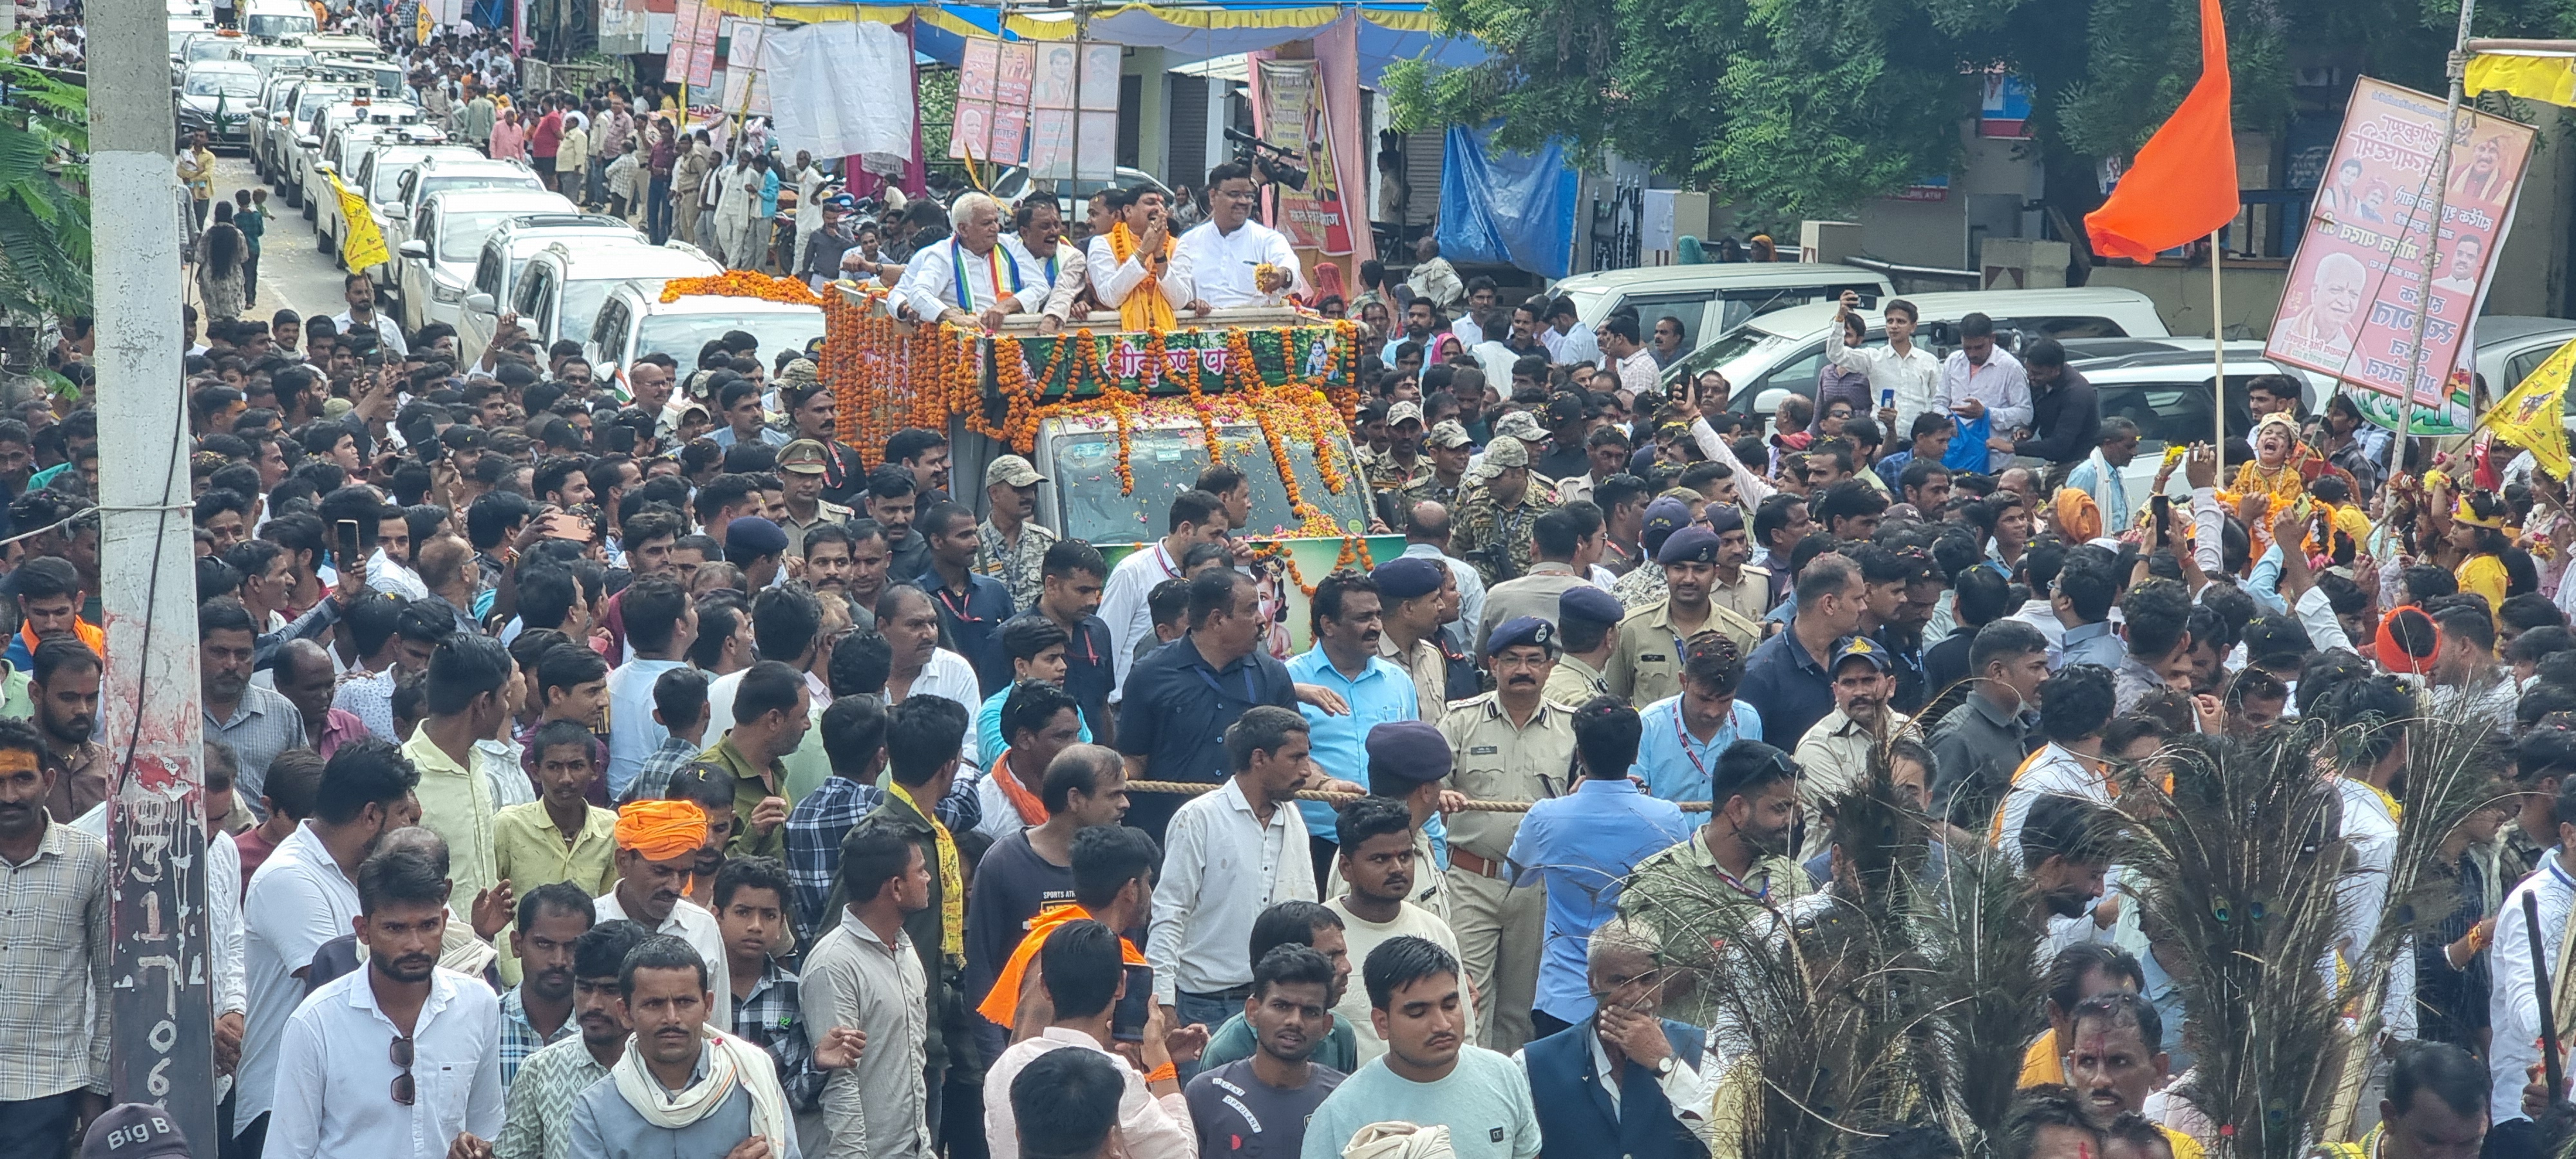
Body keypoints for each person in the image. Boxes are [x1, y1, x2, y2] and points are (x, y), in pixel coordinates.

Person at [238, 738, 422, 1155]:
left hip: (354, 1098)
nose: (411, 828)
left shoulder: (367, 872)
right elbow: (341, 983)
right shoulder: (289, 878)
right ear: (371, 815)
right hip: (282, 1105)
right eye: (402, 816)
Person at [267, 838, 503, 1159]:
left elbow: (486, 1128)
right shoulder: (315, 1023)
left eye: (428, 925)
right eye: (396, 928)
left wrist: (476, 1151)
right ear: (363, 930)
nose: (415, 944)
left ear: (445, 922)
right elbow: (287, 1150)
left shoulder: (479, 1004)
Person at [1505, 697, 1691, 1039]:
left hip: (1562, 998)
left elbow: (1514, 876)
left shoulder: (1547, 816)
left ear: (1580, 755)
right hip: (1637, 999)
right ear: (1636, 755)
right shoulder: (1668, 818)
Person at [1149, 705, 1322, 1070]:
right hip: (1204, 1006)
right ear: (1260, 758)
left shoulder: (1293, 819)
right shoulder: (1198, 819)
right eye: (1296, 758)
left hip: (1278, 1004)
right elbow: (1169, 913)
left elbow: (1306, 909)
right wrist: (1163, 1000)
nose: (1307, 771)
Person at [1437, 616, 1575, 1054]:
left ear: (1550, 667)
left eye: (1535, 660)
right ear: (1492, 664)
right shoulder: (1460, 721)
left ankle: (1513, 1102)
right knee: (1467, 997)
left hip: (1537, 887)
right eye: (1512, 659)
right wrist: (1444, 796)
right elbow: (1429, 787)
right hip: (1470, 881)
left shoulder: (1572, 728)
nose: (1523, 669)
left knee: (1521, 1009)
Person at [1297, 936, 1541, 1159]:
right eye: (1418, 1012)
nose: (1442, 1024)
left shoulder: (1504, 1075)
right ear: (1382, 1023)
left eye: (1450, 1005)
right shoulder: (1340, 1113)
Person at [1618, 740, 1808, 1023]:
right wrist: (1706, 964)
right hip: (1683, 1058)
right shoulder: (1657, 881)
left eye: (1796, 808)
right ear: (1737, 809)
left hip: (1774, 1059)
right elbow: (1626, 994)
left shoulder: (1792, 877)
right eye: (1781, 809)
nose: (1793, 821)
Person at [564, 935, 800, 1159]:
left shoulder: (752, 1084)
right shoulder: (596, 1109)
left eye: (684, 1002)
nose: (671, 1018)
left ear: (708, 1006)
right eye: (654, 1004)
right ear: (625, 1013)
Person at [983, 919, 1197, 1159]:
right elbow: (1182, 1155)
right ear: (1121, 985)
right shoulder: (1114, 1076)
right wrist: (1160, 1061)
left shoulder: (1004, 1066)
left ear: (1043, 986)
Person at [1117, 568, 1302, 840]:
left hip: (1251, 835)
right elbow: (1134, 758)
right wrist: (1111, 775)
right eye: (1251, 609)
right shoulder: (1149, 674)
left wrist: (1326, 784)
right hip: (1167, 834)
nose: (1262, 619)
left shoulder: (1272, 675)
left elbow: (1294, 757)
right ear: (1217, 620)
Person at [1516, 918, 1718, 1158]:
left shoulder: (1704, 1048)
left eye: (1649, 979)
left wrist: (1667, 1066)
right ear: (1592, 983)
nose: (1636, 995)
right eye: (1620, 981)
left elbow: (1726, 1138)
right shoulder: (1532, 1064)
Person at [0, 715, 108, 1153]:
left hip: (46, 1090)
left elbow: (109, 987)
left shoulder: (88, 859)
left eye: (22, 779)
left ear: (46, 780)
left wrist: (95, 1091)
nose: (9, 796)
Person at [802, 820, 934, 1159]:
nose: (928, 878)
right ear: (895, 887)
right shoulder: (834, 965)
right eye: (920, 871)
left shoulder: (904, 950)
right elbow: (839, 1083)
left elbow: (914, 1057)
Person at [495, 919, 649, 1159]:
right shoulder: (540, 1071)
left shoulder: (671, 1067)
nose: (593, 1004)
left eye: (610, 990)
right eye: (585, 988)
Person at [1186, 944, 1347, 1158]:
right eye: (1281, 1006)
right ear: (1253, 1011)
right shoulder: (1206, 1094)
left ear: (1326, 1026)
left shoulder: (1343, 1098)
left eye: (1310, 1011)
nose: (1295, 1021)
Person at [598, 798, 734, 1026]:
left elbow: (717, 1029)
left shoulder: (702, 926)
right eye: (661, 871)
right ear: (623, 861)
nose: (674, 886)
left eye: (684, 874)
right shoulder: (591, 922)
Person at [1929, 620, 2050, 831]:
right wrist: (1992, 854)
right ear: (1998, 672)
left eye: (2044, 667)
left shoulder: (2015, 725)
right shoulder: (1957, 737)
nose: (2045, 677)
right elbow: (1933, 824)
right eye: (2035, 667)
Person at [2058, 993, 2201, 1159]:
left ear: (2158, 1070)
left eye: (2119, 1062)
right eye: (2087, 1061)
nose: (2100, 1080)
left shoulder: (2183, 1152)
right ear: (2072, 1066)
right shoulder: (2046, 1151)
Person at [1629, 636, 1761, 803]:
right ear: (1683, 682)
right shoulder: (1648, 725)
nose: (1713, 712)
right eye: (1704, 699)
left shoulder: (1749, 721)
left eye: (1725, 700)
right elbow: (1635, 799)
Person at [497, 881, 600, 1085]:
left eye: (572, 947)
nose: (559, 961)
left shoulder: (601, 1029)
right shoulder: (488, 1023)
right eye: (544, 945)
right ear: (517, 945)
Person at [1173, 161, 1303, 309]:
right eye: (1234, 195)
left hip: (1254, 327)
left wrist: (1282, 275)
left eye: (1248, 196)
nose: (1243, 201)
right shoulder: (1190, 241)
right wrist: (1189, 304)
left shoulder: (1267, 238)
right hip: (1199, 326)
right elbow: (1177, 290)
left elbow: (1289, 264)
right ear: (1213, 196)